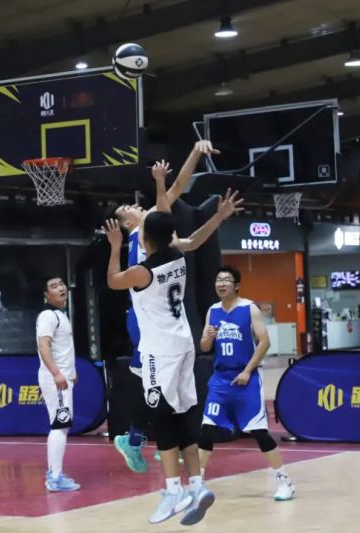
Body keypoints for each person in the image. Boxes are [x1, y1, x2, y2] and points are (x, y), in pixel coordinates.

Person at [104, 171, 226, 525]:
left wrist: (113, 246)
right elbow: (182, 228)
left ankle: (173, 490)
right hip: (185, 343)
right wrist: (218, 216)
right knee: (185, 413)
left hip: (159, 349)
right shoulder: (176, 255)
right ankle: (197, 485)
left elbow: (113, 281)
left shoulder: (141, 270)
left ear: (144, 238)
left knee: (162, 417)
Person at [114, 152, 242, 474]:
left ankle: (158, 439)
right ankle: (140, 439)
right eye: (128, 208)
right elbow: (176, 190)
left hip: (162, 321)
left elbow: (193, 240)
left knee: (165, 386)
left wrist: (217, 218)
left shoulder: (160, 241)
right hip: (146, 320)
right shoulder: (142, 232)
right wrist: (192, 156)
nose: (135, 206)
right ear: (128, 223)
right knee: (154, 386)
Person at [198, 266, 295, 501]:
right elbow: (204, 347)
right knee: (207, 429)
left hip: (246, 379)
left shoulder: (249, 308)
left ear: (237, 285)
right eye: (218, 279)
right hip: (220, 380)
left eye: (226, 280)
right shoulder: (213, 310)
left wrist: (247, 371)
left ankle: (284, 481)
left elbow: (264, 342)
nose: (221, 283)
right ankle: (196, 483)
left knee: (259, 432)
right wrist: (207, 337)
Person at [37, 276, 80, 492]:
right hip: (55, 379)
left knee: (62, 424)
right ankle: (54, 478)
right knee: (59, 425)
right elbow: (43, 346)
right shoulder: (48, 315)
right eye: (54, 286)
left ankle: (54, 475)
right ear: (46, 295)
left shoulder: (60, 314)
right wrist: (56, 373)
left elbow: (62, 349)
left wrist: (71, 372)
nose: (60, 288)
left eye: (61, 284)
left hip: (63, 376)